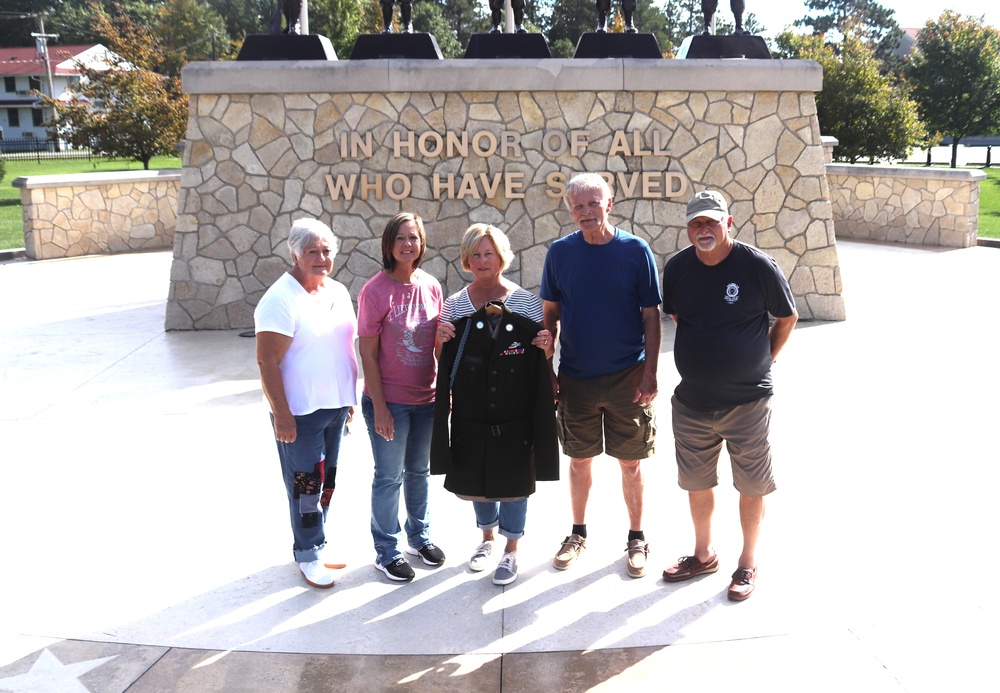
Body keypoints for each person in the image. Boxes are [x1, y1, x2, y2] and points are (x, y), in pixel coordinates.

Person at [660, 190, 797, 601]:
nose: (704, 230)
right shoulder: (679, 268)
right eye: (696, 223)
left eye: (711, 222)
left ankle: (747, 563)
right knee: (697, 483)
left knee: (751, 484)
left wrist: (762, 360)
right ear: (688, 229)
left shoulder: (756, 266)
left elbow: (786, 317)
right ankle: (703, 555)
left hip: (747, 403)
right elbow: (680, 317)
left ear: (729, 223)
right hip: (692, 402)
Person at [540, 173, 662, 579]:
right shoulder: (560, 253)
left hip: (628, 377)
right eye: (578, 206)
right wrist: (550, 372)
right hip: (576, 378)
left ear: (609, 204)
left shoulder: (635, 250)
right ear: (570, 211)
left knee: (631, 463)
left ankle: (637, 538)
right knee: (579, 460)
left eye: (594, 203)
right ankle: (577, 533)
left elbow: (651, 317)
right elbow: (550, 315)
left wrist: (650, 373)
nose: (586, 212)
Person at [431, 224, 557, 586]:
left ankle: (511, 549)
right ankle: (486, 540)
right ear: (467, 260)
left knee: (516, 477)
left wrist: (548, 346)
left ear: (502, 257)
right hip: (471, 407)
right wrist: (440, 342)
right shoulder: (454, 304)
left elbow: (541, 356)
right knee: (477, 474)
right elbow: (444, 360)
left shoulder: (525, 302)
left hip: (515, 407)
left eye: (489, 253)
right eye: (476, 254)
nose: (483, 260)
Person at [254, 218, 358, 589]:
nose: (321, 257)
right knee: (305, 486)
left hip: (334, 408)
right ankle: (309, 552)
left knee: (325, 481)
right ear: (295, 253)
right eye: (312, 251)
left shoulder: (338, 291)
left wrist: (348, 399)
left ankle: (316, 542)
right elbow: (267, 360)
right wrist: (281, 414)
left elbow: (344, 347)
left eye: (327, 250)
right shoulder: (280, 299)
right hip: (299, 412)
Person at [358, 212, 446, 582]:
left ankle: (418, 537)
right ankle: (386, 550)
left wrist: (446, 393)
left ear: (422, 243)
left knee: (419, 473)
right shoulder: (375, 291)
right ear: (388, 245)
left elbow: (438, 345)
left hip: (425, 399)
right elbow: (368, 354)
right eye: (400, 239)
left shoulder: (431, 286)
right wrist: (380, 407)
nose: (408, 245)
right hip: (389, 400)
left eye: (414, 237)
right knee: (389, 477)